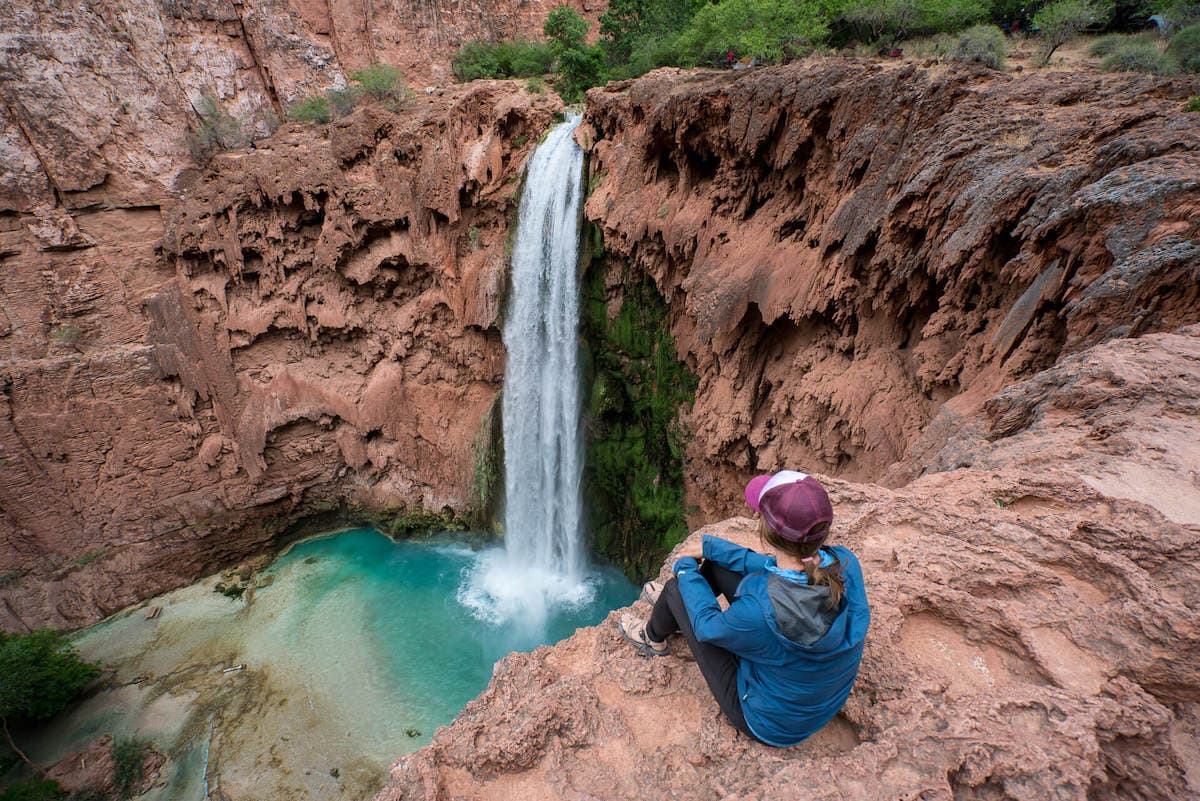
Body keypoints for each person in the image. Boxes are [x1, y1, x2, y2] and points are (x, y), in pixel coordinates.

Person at [617, 470, 870, 747]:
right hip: (816, 695)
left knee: (677, 590)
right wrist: (711, 548)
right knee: (715, 565)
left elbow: (706, 626)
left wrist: (686, 567)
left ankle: (653, 638)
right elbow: (771, 568)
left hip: (772, 722)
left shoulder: (759, 612)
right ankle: (673, 613)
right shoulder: (843, 562)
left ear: (767, 531)